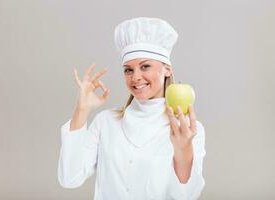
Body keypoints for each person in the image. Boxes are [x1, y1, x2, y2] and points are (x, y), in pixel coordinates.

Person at [57, 17, 206, 200]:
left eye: (145, 66)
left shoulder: (187, 130)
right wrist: (81, 110)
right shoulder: (106, 122)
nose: (135, 77)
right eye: (128, 69)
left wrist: (183, 150)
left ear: (167, 69)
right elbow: (69, 178)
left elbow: (186, 197)